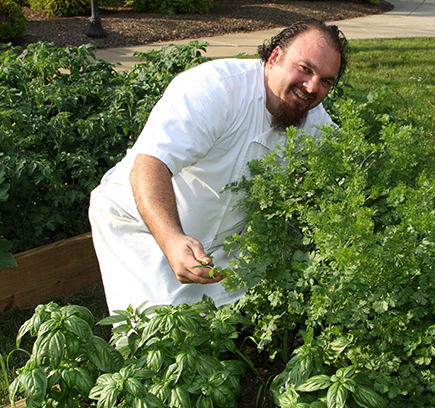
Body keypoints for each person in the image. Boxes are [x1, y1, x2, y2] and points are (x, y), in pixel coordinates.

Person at [88, 19, 348, 315]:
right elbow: (149, 165)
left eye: (326, 80)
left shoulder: (313, 119)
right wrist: (172, 240)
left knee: (231, 333)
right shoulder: (217, 89)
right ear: (275, 57)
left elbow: (343, 164)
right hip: (144, 227)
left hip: (223, 247)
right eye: (305, 68)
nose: (312, 87)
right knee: (161, 331)